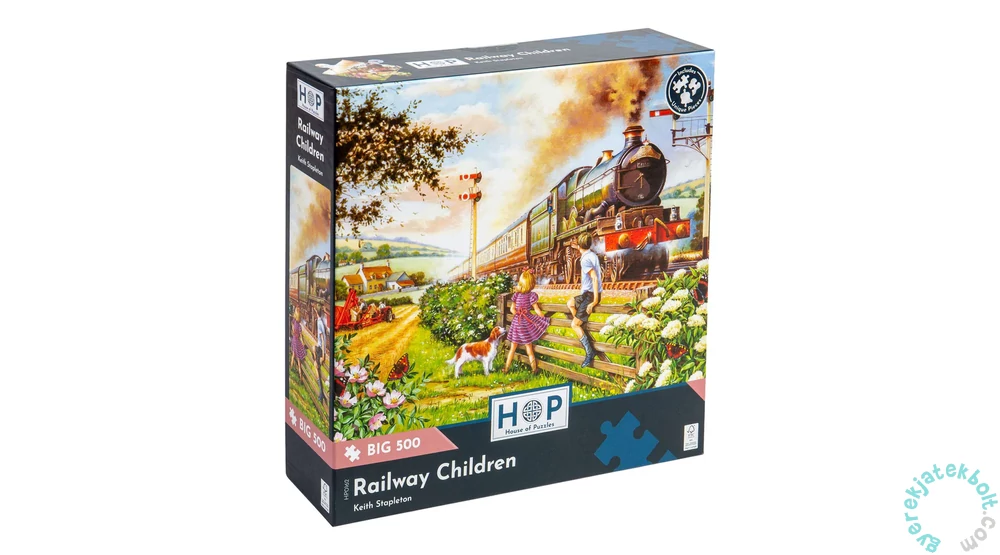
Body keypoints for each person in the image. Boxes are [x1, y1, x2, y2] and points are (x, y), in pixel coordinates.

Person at [503, 269, 550, 374]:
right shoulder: (531, 295)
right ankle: (534, 369)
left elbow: (512, 309)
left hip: (516, 323)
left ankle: (506, 368)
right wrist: (543, 318)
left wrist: (518, 313)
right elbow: (537, 310)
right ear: (531, 284)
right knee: (529, 348)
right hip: (525, 324)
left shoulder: (516, 295)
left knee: (512, 348)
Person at [566, 232, 602, 367]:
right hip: (587, 294)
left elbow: (594, 278)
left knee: (574, 325)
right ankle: (582, 324)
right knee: (570, 303)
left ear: (580, 245)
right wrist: (578, 247)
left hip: (590, 296)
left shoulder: (585, 260)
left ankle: (589, 352)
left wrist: (594, 302)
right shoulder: (591, 255)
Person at [289, 307, 308, 379]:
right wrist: (303, 344)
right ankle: (300, 377)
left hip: (294, 339)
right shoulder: (299, 327)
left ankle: (290, 368)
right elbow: (301, 337)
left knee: (293, 355)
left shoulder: (294, 322)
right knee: (299, 360)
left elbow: (292, 327)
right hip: (297, 342)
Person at [315, 306, 328, 402]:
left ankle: (321, 393)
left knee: (316, 367)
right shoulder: (321, 321)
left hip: (320, 349)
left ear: (316, 311)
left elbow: (323, 340)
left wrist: (323, 355)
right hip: (319, 347)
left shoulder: (319, 322)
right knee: (313, 348)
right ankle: (321, 393)